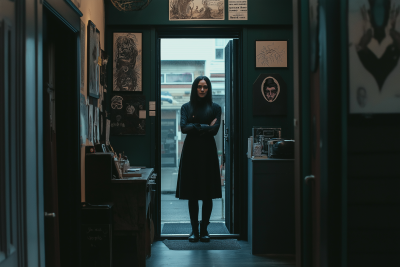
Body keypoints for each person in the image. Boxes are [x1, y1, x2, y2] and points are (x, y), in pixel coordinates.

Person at [175, 76, 222, 242]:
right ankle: (194, 230)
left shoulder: (216, 108)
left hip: (208, 152)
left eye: (205, 87)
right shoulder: (186, 107)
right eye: (199, 87)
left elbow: (215, 130)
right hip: (191, 153)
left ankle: (204, 230)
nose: (202, 90)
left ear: (209, 89)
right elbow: (183, 128)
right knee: (192, 194)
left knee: (208, 194)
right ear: (195, 88)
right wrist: (205, 127)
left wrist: (195, 126)